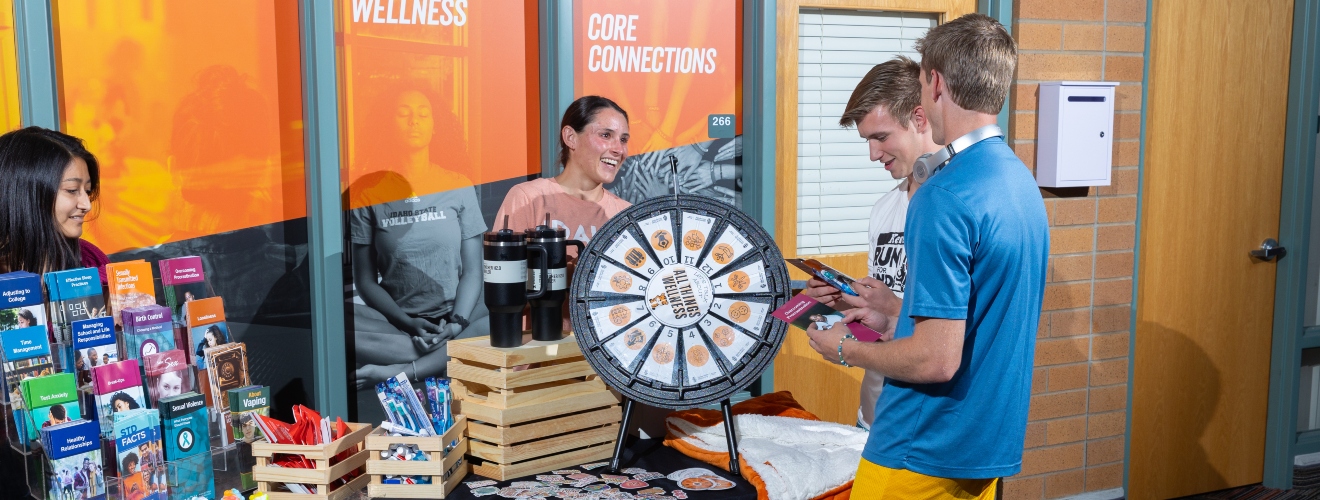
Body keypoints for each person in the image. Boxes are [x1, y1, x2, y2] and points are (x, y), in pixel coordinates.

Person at [804, 13, 1048, 498]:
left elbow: (937, 361)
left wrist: (844, 350)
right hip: (981, 444)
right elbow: (970, 325)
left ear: (934, 83)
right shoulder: (1018, 181)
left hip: (920, 446)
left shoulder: (944, 195)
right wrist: (894, 314)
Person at [799, 56, 942, 430]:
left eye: (881, 137)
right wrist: (846, 296)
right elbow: (888, 311)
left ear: (919, 119)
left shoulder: (955, 208)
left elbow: (954, 332)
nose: (873, 154)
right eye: (868, 140)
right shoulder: (885, 208)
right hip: (874, 415)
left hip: (925, 423)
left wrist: (891, 308)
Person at [349, 85, 490, 388]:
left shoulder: (457, 185)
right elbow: (365, 282)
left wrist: (456, 323)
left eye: (423, 114)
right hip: (396, 321)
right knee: (333, 321)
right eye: (404, 113)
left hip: (458, 314)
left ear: (435, 126)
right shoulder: (367, 192)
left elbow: (473, 271)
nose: (414, 120)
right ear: (388, 124)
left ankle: (405, 370)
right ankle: (444, 356)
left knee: (506, 315)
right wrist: (407, 322)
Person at [495, 95, 632, 251]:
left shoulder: (626, 215)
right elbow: (505, 270)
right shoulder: (527, 199)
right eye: (606, 135)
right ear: (570, 137)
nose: (619, 149)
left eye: (623, 140)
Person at [0, 127, 109, 281]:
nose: (86, 205)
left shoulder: (91, 261)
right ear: (27, 194)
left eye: (88, 191)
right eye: (71, 190)